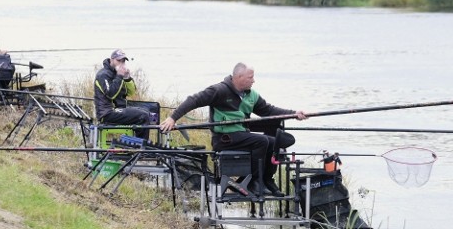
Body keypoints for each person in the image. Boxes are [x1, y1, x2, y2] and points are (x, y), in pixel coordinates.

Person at [159, 62, 307, 197]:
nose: (253, 80)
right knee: (261, 141)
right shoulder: (219, 90)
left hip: (241, 135)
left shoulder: (251, 95)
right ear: (239, 77)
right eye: (251, 77)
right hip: (224, 138)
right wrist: (172, 118)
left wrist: (294, 114)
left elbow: (268, 111)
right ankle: (252, 181)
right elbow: (194, 100)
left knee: (273, 142)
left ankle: (266, 179)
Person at [93, 49, 150, 140]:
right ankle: (142, 149)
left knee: (147, 112)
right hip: (107, 113)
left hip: (119, 109)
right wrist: (119, 76)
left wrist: (127, 78)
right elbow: (111, 94)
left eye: (123, 61)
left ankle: (137, 144)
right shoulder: (103, 75)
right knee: (142, 116)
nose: (121, 63)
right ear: (111, 60)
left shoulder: (118, 74)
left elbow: (131, 92)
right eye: (118, 60)